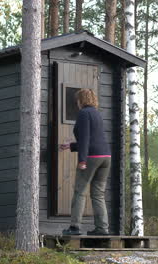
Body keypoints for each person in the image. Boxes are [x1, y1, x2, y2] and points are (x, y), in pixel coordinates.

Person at [59, 89, 111, 236]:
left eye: (77, 100)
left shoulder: (83, 113)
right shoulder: (96, 114)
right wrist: (71, 146)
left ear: (80, 100)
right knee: (98, 194)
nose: (76, 103)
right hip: (106, 157)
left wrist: (82, 160)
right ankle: (102, 229)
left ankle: (75, 227)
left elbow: (86, 138)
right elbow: (92, 139)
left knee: (80, 191)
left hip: (92, 157)